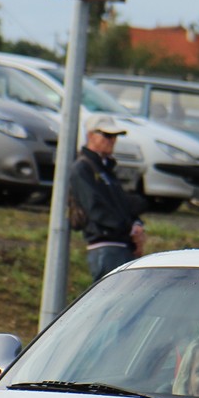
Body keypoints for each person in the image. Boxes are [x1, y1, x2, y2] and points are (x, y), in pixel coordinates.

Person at [70, 114, 145, 283]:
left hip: (121, 246)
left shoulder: (106, 168)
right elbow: (95, 208)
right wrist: (130, 229)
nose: (112, 140)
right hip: (105, 246)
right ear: (90, 135)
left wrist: (137, 224)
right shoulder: (82, 168)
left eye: (115, 136)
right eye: (107, 135)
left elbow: (122, 205)